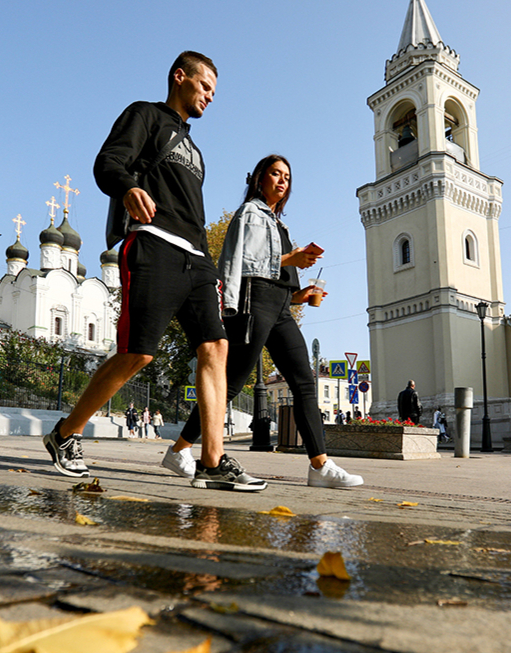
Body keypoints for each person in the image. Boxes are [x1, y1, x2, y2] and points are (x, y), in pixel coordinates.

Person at [42, 52, 264, 491]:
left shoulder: (196, 150)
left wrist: (208, 264)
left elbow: (193, 211)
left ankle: (212, 463)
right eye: (204, 87)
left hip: (196, 260)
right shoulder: (145, 115)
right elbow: (108, 162)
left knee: (216, 348)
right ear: (179, 77)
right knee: (138, 353)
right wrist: (128, 188)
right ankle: (65, 434)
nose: (209, 97)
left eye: (214, 93)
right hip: (153, 245)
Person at [163, 154, 362, 488]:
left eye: (287, 176)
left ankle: (320, 466)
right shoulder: (250, 213)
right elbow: (242, 264)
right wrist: (291, 258)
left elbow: (277, 276)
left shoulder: (277, 222)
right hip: (252, 303)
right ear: (259, 179)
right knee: (229, 386)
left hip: (280, 308)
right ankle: (180, 449)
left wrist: (299, 293)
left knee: (304, 381)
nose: (282, 180)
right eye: (275, 173)